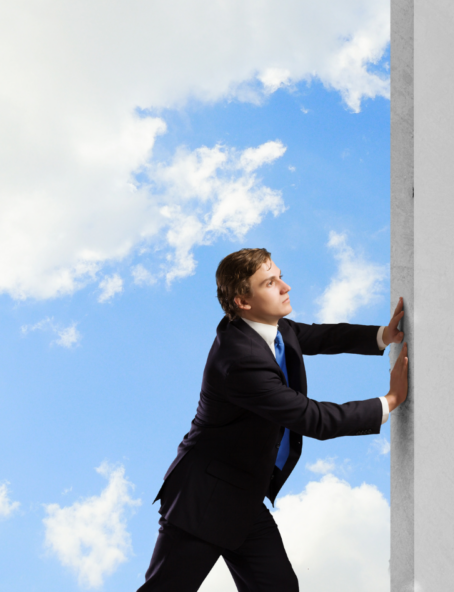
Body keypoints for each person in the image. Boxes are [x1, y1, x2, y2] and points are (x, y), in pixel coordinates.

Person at [137, 247, 409, 591]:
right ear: (243, 302)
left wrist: (383, 335)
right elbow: (312, 418)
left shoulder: (272, 329)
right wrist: (390, 400)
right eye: (270, 282)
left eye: (280, 276)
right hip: (202, 501)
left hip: (244, 498)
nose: (285, 287)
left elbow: (321, 336)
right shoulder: (241, 360)